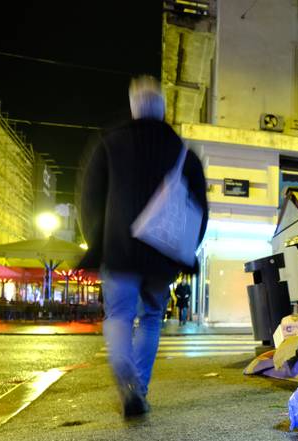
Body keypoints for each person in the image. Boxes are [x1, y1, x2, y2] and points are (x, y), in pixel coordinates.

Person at [79, 75, 208, 417]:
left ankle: (128, 382)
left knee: (119, 316)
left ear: (134, 107)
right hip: (161, 255)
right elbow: (199, 210)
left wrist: (96, 242)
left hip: (118, 249)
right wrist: (187, 248)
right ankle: (141, 389)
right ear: (163, 109)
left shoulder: (109, 144)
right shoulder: (183, 151)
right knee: (151, 318)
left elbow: (89, 200)